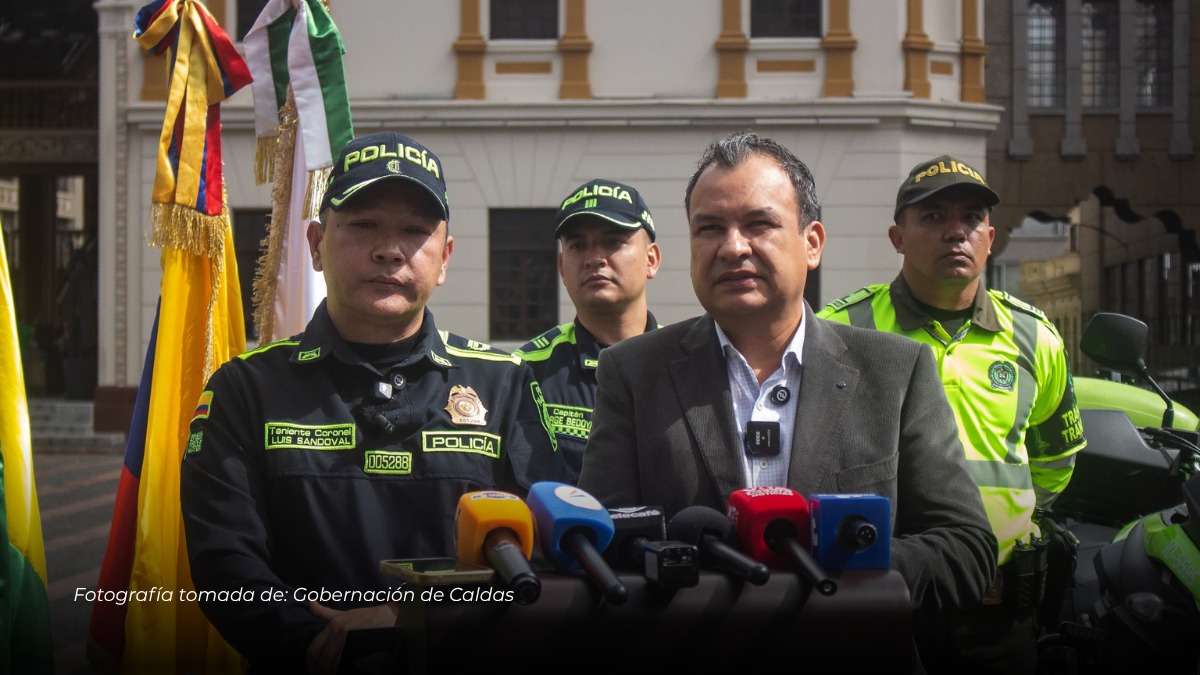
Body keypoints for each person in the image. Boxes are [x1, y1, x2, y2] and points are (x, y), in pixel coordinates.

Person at [576, 131, 997, 636]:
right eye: (709, 228)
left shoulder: (896, 371)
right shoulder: (632, 372)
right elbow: (598, 545)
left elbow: (966, 549)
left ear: (812, 243)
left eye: (759, 224)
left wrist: (840, 567)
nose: (732, 247)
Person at [179, 131, 567, 674]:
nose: (389, 249)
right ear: (316, 244)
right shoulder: (244, 388)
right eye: (363, 225)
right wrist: (327, 645)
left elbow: (549, 556)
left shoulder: (505, 385)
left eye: (414, 230)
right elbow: (226, 567)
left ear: (445, 256)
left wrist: (420, 622)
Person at [818, 155, 1086, 674]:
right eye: (933, 217)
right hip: (882, 596)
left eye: (971, 218)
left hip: (1000, 611)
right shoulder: (843, 329)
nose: (955, 232)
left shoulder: (1034, 336)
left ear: (990, 236)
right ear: (898, 238)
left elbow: (1055, 465)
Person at [515, 179, 662, 480]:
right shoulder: (525, 370)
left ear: (651, 259)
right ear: (561, 266)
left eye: (613, 242)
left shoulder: (691, 364)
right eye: (578, 246)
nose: (594, 259)